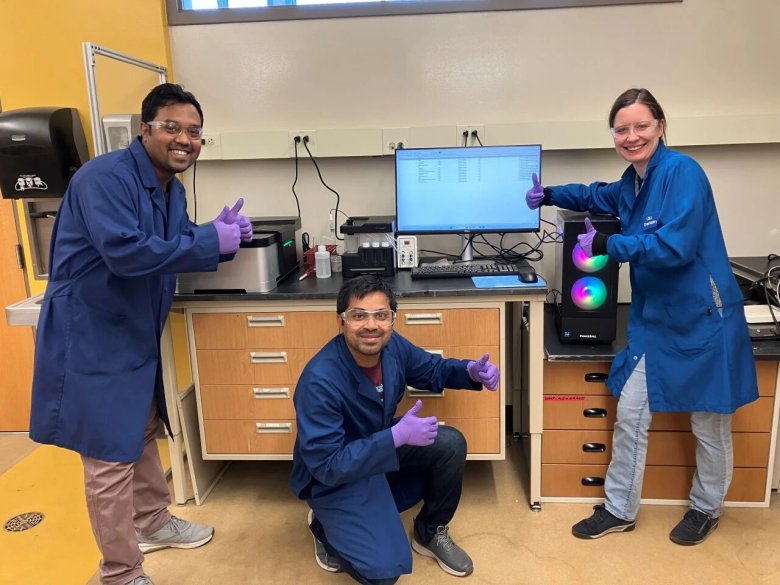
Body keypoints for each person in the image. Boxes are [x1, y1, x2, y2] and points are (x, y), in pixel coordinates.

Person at [29, 83, 253, 585]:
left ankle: (152, 521)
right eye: (172, 127)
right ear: (145, 129)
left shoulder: (169, 185)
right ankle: (120, 572)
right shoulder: (103, 179)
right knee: (109, 456)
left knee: (143, 427)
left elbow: (172, 240)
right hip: (93, 334)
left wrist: (215, 231)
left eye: (194, 132)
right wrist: (208, 240)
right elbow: (127, 252)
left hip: (133, 329)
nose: (184, 140)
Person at [526, 88, 758, 546]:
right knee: (631, 413)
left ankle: (706, 508)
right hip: (656, 321)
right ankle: (619, 509)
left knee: (709, 425)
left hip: (703, 318)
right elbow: (595, 194)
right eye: (621, 129)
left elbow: (675, 247)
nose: (631, 136)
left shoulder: (682, 173)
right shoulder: (631, 183)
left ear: (661, 126)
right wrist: (549, 193)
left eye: (641, 126)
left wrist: (607, 245)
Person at [289, 275, 500, 584]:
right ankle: (323, 525)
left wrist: (469, 371)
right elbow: (327, 465)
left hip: (376, 448)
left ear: (392, 320)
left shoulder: (392, 347)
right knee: (384, 572)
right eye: (359, 315)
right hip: (333, 477)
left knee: (450, 444)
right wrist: (395, 437)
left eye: (381, 315)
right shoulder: (319, 381)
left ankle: (429, 531)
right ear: (341, 321)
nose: (371, 325)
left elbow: (431, 369)